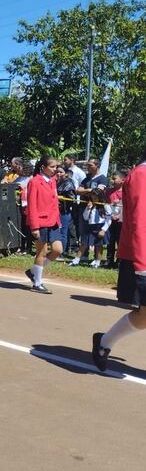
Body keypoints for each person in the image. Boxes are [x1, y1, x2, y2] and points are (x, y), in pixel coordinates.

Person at [91, 155, 146, 372]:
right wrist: (141, 265)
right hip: (142, 256)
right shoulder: (142, 174)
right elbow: (139, 221)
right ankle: (104, 343)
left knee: (144, 317)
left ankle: (103, 343)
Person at [24, 156, 63, 294]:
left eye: (56, 167)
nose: (55, 169)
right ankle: (37, 282)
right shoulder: (34, 182)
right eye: (52, 167)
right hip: (40, 222)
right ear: (43, 167)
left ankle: (33, 271)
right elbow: (32, 205)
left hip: (53, 221)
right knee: (42, 252)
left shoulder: (52, 181)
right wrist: (34, 226)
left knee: (58, 250)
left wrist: (58, 221)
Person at [69, 189, 112, 268]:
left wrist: (103, 230)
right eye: (92, 196)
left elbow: (109, 219)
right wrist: (88, 208)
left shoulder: (105, 205)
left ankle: (97, 261)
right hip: (90, 226)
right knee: (84, 244)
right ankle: (76, 260)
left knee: (99, 245)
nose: (94, 198)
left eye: (96, 196)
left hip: (100, 226)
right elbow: (85, 217)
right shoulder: (90, 204)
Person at [106, 170, 126, 268]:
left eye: (115, 178)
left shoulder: (126, 192)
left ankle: (119, 261)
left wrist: (119, 216)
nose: (112, 180)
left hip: (120, 221)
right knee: (110, 241)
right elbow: (105, 204)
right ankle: (109, 260)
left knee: (120, 241)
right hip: (110, 220)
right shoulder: (109, 191)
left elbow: (126, 206)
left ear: (122, 180)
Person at [55, 166, 77, 255]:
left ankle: (62, 252)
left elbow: (72, 198)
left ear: (66, 173)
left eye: (61, 172)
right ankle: (60, 250)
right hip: (57, 210)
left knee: (63, 232)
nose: (58, 174)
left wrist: (61, 198)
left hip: (65, 211)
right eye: (57, 172)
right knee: (59, 231)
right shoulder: (57, 182)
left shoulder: (68, 183)